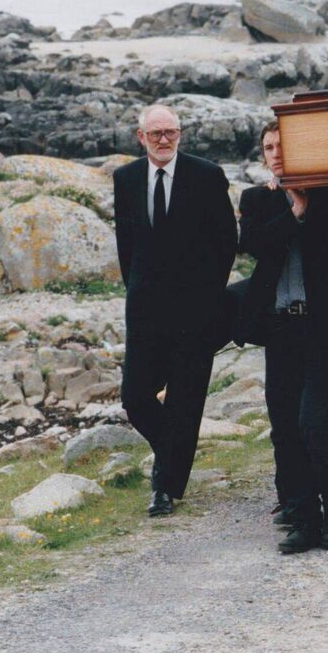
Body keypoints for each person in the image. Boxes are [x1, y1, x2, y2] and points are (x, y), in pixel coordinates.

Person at [237, 124, 328, 553]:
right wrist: (292, 212)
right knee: (284, 428)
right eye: (269, 148)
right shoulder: (256, 199)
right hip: (281, 328)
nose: (276, 153)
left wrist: (308, 201)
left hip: (324, 330)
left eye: (283, 146)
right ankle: (302, 517)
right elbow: (255, 245)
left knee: (314, 423)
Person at [114, 104, 238, 517]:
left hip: (195, 313)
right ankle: (175, 450)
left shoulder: (206, 175)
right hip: (146, 310)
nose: (164, 139)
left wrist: (207, 298)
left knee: (185, 399)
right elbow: (126, 245)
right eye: (156, 134)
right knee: (135, 397)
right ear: (141, 137)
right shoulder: (126, 178)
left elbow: (226, 242)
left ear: (181, 134)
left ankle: (163, 488)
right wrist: (136, 289)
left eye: (171, 132)